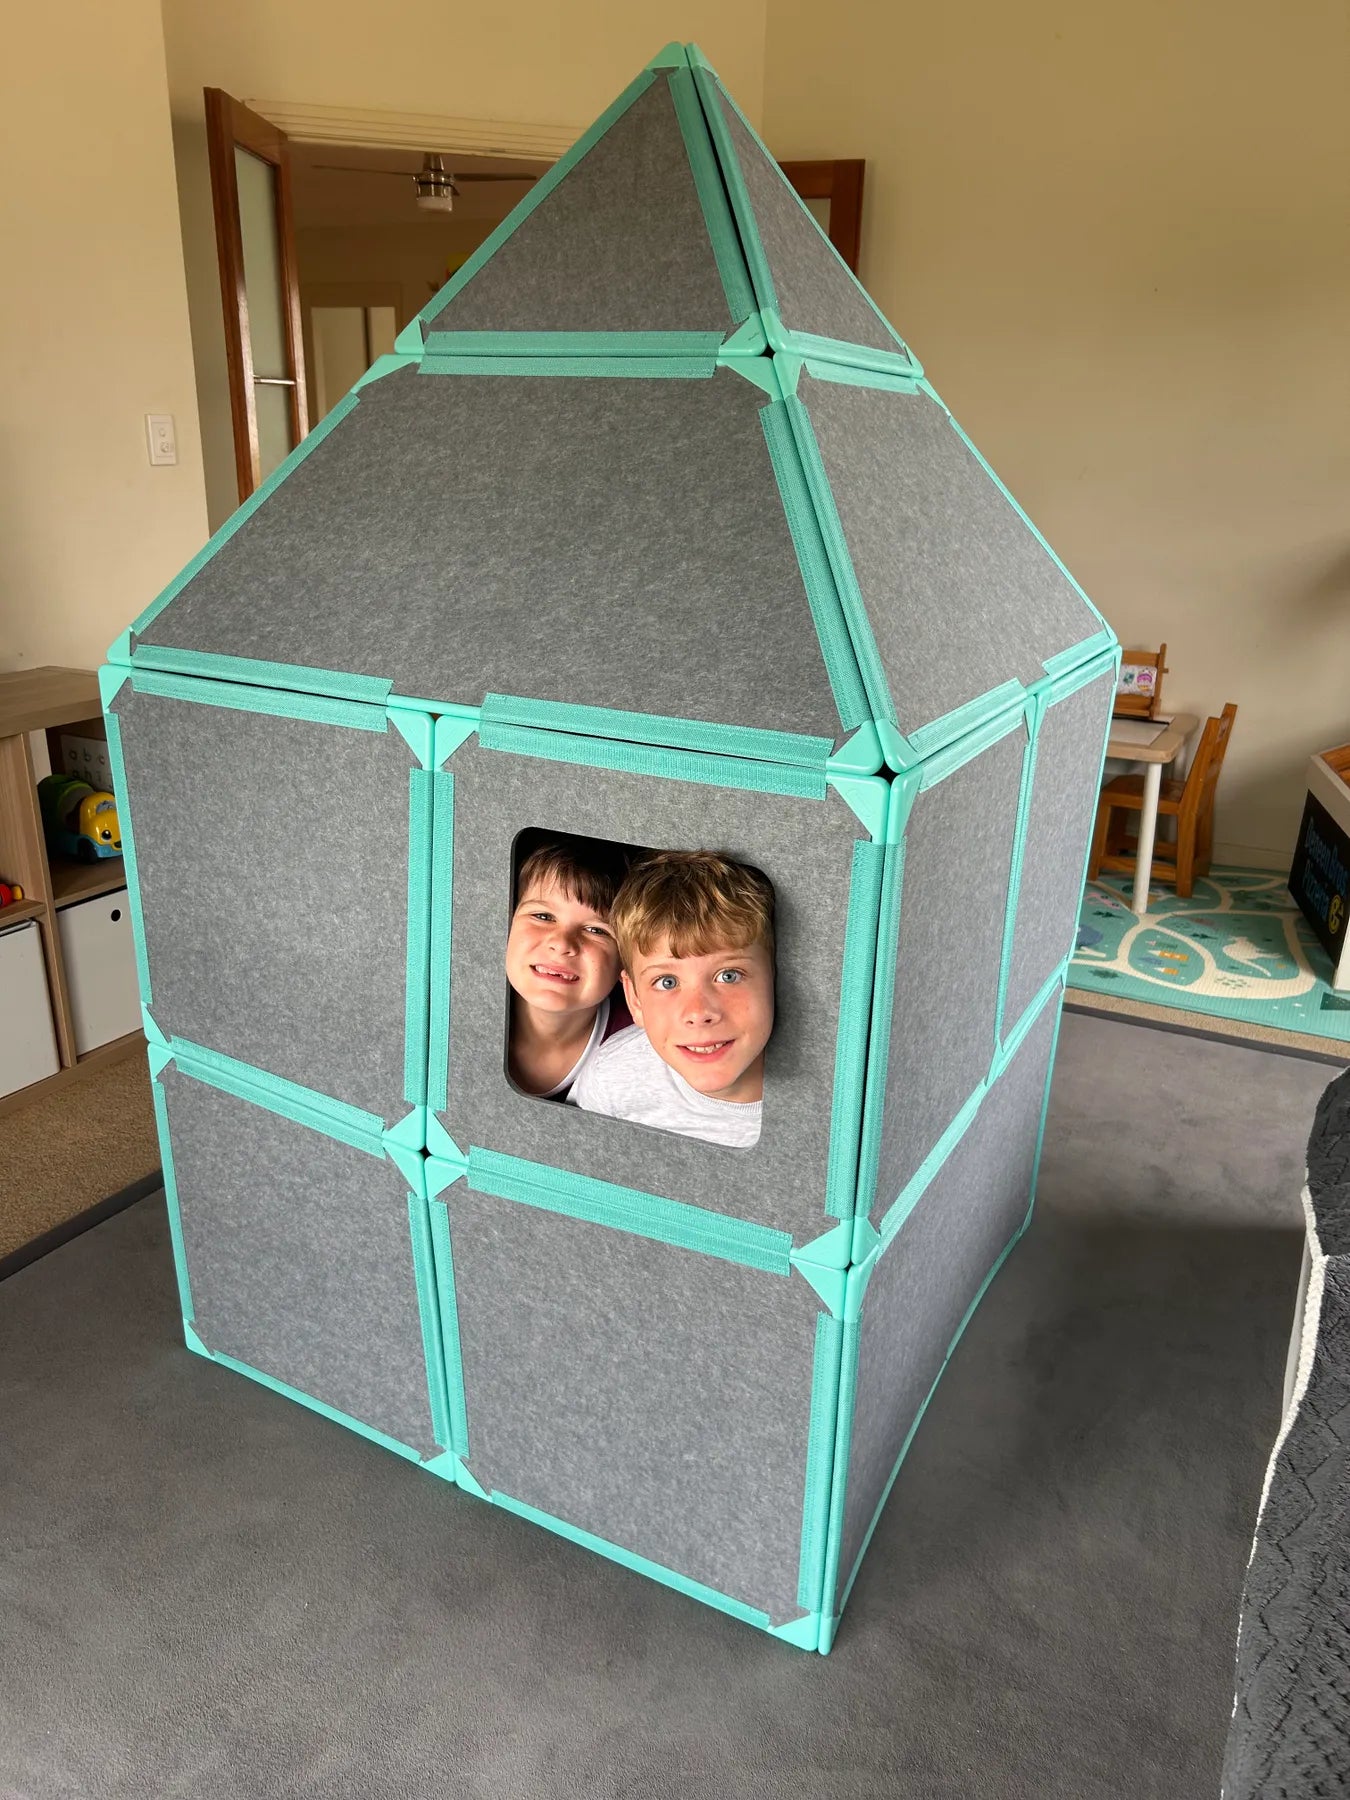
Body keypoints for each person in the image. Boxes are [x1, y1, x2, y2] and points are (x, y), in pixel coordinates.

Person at [571, 850, 775, 1148]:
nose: (698, 1012)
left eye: (729, 975)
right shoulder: (611, 1078)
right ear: (634, 999)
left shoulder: (834, 1096)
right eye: (667, 982)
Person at [505, 837, 632, 1101]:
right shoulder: (450, 1015)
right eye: (543, 916)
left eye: (596, 930)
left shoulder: (637, 1043)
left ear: (625, 959)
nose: (562, 944)